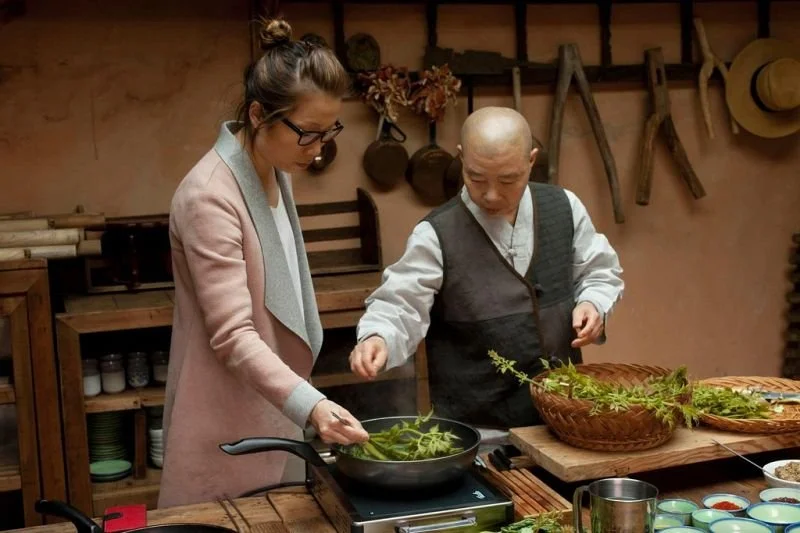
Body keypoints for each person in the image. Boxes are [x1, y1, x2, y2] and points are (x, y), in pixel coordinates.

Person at [158, 18, 369, 508]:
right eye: (307, 134)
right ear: (258, 114)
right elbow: (233, 335)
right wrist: (312, 404)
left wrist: (304, 404)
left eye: (328, 133)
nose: (318, 150)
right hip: (226, 418)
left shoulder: (274, 169)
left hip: (275, 410)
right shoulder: (210, 196)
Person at [349, 106, 624, 437]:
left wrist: (593, 303)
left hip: (564, 414)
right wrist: (378, 336)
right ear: (461, 158)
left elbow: (598, 271)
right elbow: (401, 302)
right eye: (476, 178)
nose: (491, 194)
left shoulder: (565, 207)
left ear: (531, 161)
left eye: (508, 179)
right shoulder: (436, 233)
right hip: (480, 427)